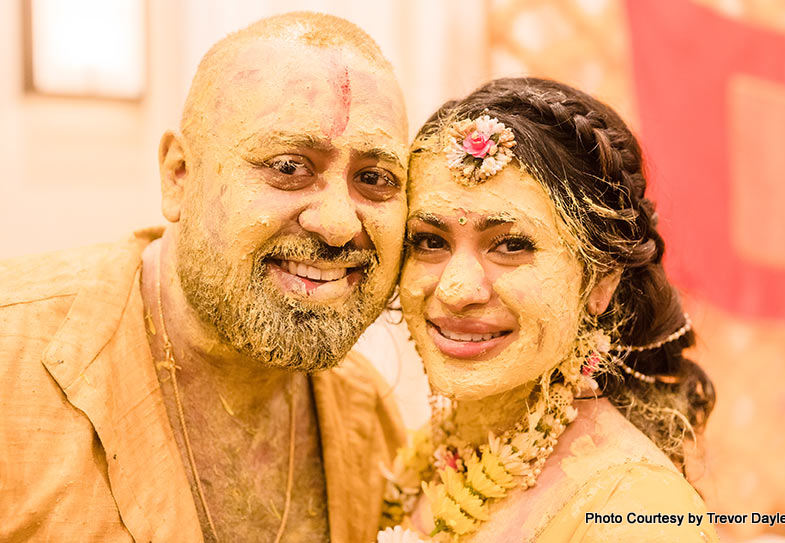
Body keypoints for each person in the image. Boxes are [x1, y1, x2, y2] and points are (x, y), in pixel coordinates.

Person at [0, 12, 409, 543]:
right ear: (178, 175)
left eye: (375, 179)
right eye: (289, 167)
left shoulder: (367, 414)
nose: (336, 224)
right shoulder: (13, 355)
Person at [376, 78, 719, 542]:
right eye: (429, 242)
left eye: (512, 245)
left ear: (600, 281)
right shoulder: (426, 462)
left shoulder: (635, 512)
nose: (457, 291)